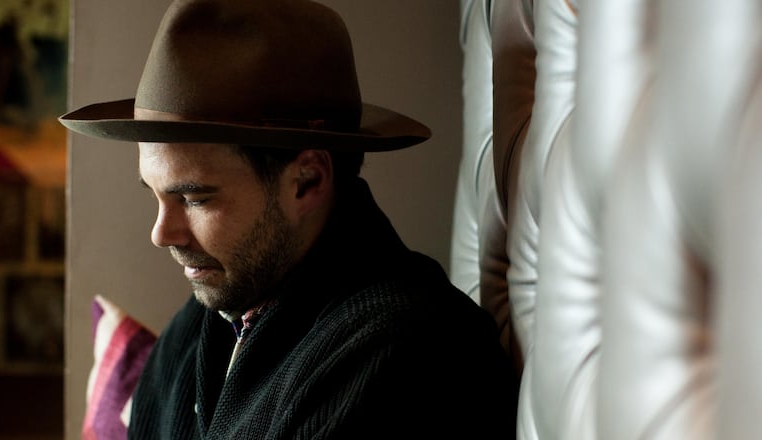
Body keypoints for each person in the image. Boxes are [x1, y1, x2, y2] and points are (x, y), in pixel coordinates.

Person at [60, 0, 518, 438]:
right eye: (156, 195)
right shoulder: (204, 322)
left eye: (195, 198)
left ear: (307, 181)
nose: (162, 233)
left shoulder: (409, 355)